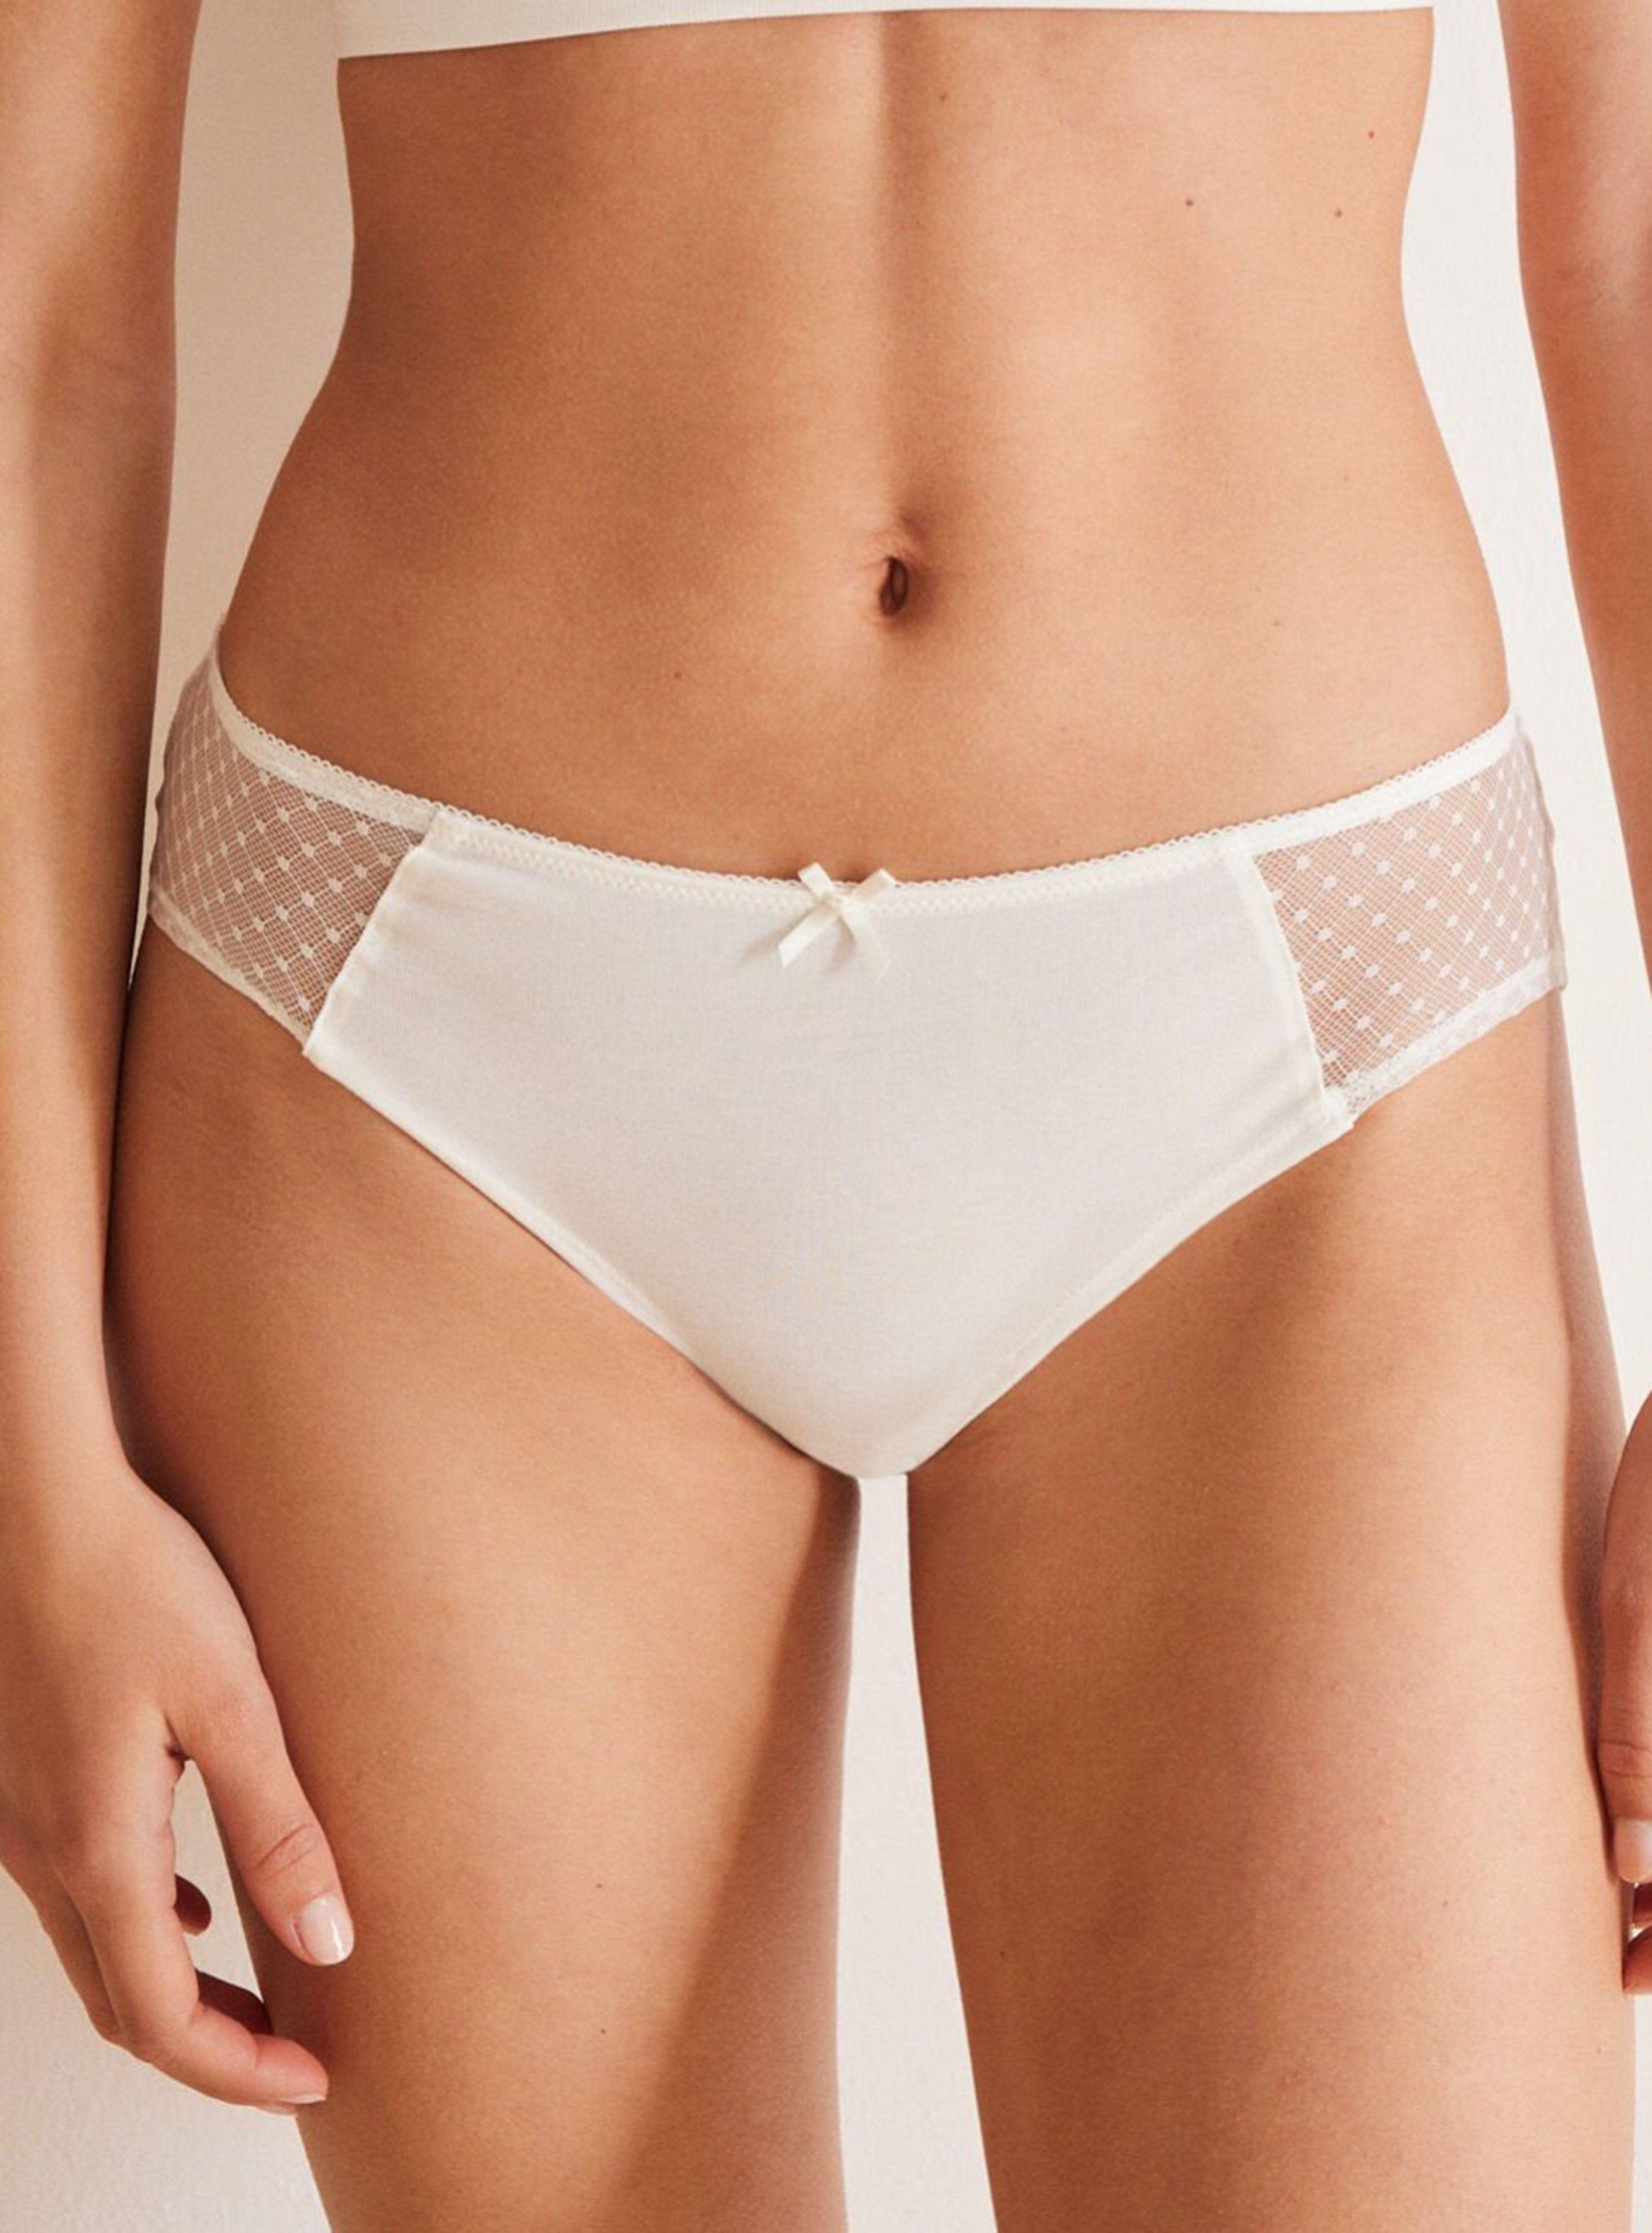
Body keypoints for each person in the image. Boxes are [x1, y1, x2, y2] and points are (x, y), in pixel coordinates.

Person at [3, 0, 1648, 2223]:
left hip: (1315, 1071)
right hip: (423, 1072)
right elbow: (38, 319)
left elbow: (1631, 246)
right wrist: (22, 1462)